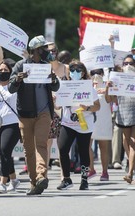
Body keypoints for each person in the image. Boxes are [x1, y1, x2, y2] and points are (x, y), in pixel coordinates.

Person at [8, 35, 61, 195]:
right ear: (36, 50)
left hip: (44, 112)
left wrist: (53, 80)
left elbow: (56, 87)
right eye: (44, 48)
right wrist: (17, 79)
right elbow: (11, 88)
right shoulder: (20, 65)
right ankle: (34, 183)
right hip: (25, 113)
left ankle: (40, 176)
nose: (47, 51)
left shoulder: (46, 66)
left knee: (41, 144)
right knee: (28, 150)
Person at [56, 59, 100, 190]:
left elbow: (97, 106)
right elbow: (58, 104)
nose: (75, 73)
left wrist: (86, 108)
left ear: (83, 73)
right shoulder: (64, 86)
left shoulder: (89, 88)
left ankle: (84, 179)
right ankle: (66, 179)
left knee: (83, 151)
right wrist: (56, 101)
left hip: (84, 123)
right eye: (72, 70)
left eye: (78, 70)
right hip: (68, 122)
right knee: (62, 148)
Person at [0, 60, 21, 193]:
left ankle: (2, 182)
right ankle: (14, 180)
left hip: (12, 123)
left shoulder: (15, 87)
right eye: (0, 70)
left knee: (4, 150)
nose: (2, 72)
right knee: (3, 153)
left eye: (5, 70)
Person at [105, 54, 135, 184]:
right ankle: (131, 164)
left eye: (131, 63)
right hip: (124, 114)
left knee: (133, 142)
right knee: (125, 141)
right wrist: (108, 87)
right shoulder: (118, 79)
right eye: (125, 63)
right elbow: (109, 99)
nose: (128, 65)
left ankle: (130, 172)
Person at [87, 68, 112, 181]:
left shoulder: (107, 84)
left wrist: (107, 88)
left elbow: (109, 100)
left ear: (103, 74)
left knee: (103, 146)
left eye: (98, 73)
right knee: (87, 144)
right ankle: (91, 169)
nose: (96, 75)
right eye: (93, 73)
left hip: (103, 117)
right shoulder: (87, 85)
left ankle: (105, 172)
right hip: (90, 118)